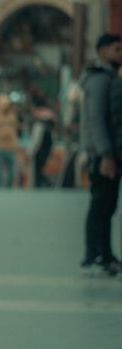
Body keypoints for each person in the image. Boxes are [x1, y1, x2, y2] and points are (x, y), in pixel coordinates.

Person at [80, 33, 122, 275]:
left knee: (104, 206)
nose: (121, 54)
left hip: (105, 154)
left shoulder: (107, 78)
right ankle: (98, 255)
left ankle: (97, 254)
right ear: (102, 52)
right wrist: (106, 154)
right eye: (117, 49)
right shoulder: (100, 80)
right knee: (102, 206)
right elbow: (97, 120)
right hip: (102, 155)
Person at [29, 96, 56, 188]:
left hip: (40, 149)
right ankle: (44, 183)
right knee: (40, 169)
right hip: (47, 148)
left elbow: (37, 139)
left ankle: (43, 184)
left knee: (38, 169)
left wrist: (32, 151)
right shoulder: (50, 118)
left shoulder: (39, 123)